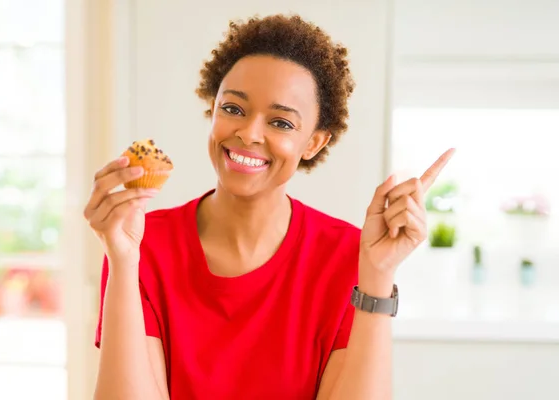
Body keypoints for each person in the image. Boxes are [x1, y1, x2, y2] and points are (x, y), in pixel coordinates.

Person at [85, 14, 454, 400]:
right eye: (232, 109)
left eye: (280, 122)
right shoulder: (142, 243)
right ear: (213, 109)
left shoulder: (351, 257)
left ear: (313, 142)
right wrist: (124, 262)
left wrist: (378, 275)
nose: (249, 133)